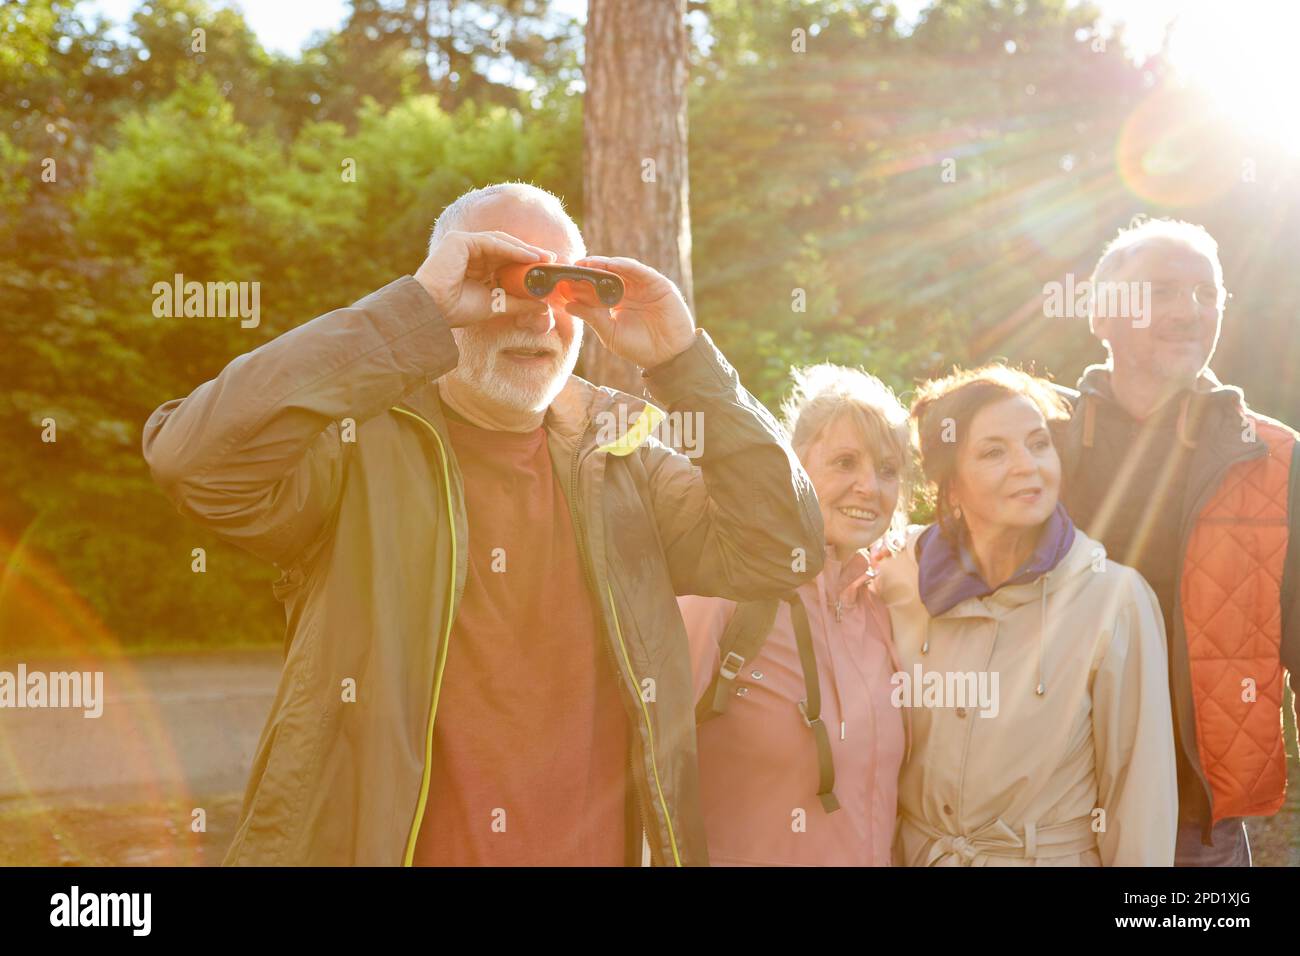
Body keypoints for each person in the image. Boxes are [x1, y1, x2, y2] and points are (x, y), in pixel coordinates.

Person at [142, 181, 824, 866]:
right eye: (504, 283)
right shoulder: (357, 449)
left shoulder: (624, 462)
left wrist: (687, 366)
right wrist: (407, 316)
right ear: (446, 295)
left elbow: (783, 549)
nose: (536, 317)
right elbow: (196, 465)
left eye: (560, 288)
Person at [1058, 216, 1300, 866]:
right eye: (1162, 291)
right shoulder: (1040, 441)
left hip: (1199, 818)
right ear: (1103, 315)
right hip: (1051, 807)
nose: (1190, 310)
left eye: (1206, 293)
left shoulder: (1272, 456)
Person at [875, 364, 1177, 866]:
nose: (1027, 466)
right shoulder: (895, 575)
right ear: (949, 488)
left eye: (1039, 444)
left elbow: (1140, 796)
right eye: (995, 452)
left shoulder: (1113, 598)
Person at [679, 364, 910, 865]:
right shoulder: (726, 590)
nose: (869, 486)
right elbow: (642, 766)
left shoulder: (886, 605)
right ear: (794, 466)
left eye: (887, 469)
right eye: (845, 462)